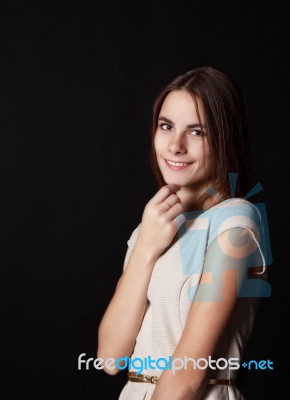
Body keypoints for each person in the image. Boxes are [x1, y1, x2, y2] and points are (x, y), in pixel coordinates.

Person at [97, 66, 270, 400]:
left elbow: (188, 374)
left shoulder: (234, 222)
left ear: (224, 137)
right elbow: (110, 358)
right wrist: (146, 248)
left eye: (197, 132)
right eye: (166, 126)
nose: (175, 146)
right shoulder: (151, 227)